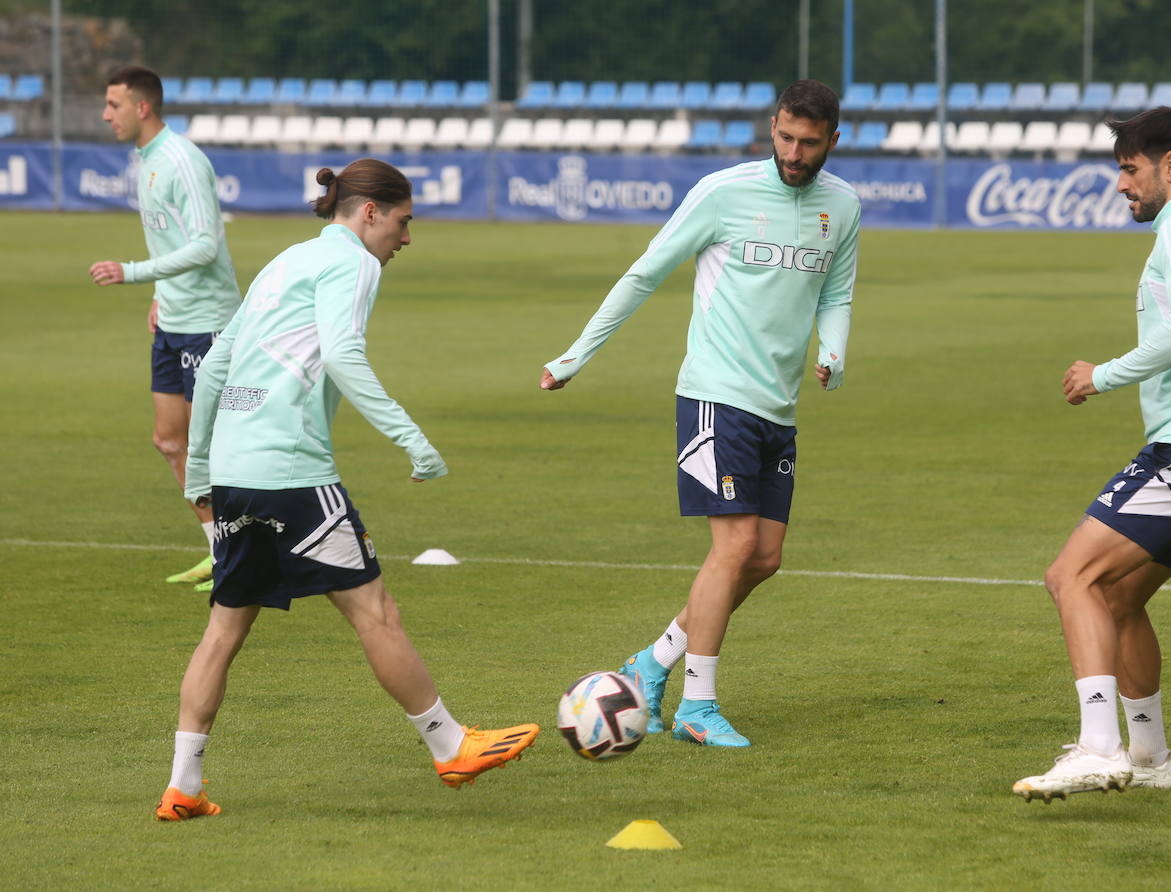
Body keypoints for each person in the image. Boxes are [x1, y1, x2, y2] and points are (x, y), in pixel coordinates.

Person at [155, 158, 537, 821]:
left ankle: (183, 786)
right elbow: (342, 354)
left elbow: (216, 364)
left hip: (237, 476)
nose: (406, 239)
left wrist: (198, 472)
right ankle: (450, 746)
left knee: (223, 631)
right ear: (368, 213)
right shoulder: (354, 263)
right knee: (375, 611)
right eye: (403, 221)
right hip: (293, 475)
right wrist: (412, 438)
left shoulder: (284, 261)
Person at [541, 80, 861, 748]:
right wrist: (576, 355)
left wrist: (833, 350)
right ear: (771, 126)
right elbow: (644, 273)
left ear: (834, 139)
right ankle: (698, 705)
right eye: (784, 137)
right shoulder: (724, 192)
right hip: (716, 394)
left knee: (764, 558)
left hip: (779, 404)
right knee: (735, 545)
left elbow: (836, 290)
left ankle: (651, 664)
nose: (794, 154)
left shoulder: (843, 206)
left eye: (808, 143)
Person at [1013, 107, 1171, 803]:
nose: (1122, 184)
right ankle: (1150, 756)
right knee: (1119, 599)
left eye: (1130, 169)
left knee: (1072, 577)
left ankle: (1098, 747)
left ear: (1170, 166)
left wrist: (1107, 373)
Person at [90, 65, 241, 590]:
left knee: (209, 449)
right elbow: (170, 239)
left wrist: (132, 274)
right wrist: (159, 293)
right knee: (169, 441)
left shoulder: (181, 160)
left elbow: (204, 244)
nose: (106, 114)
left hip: (208, 324)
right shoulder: (145, 159)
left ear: (142, 107)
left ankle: (252, 554)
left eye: (114, 104)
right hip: (172, 321)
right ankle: (219, 550)